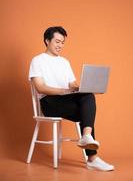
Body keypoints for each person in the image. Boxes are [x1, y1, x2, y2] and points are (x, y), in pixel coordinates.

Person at [29, 26, 114, 171]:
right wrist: (64, 91)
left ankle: (87, 139)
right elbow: (40, 87)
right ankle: (92, 157)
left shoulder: (64, 62)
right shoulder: (38, 60)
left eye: (62, 42)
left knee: (88, 98)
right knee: (86, 110)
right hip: (49, 103)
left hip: (65, 100)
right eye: (57, 41)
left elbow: (72, 84)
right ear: (47, 41)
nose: (60, 45)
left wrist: (86, 87)